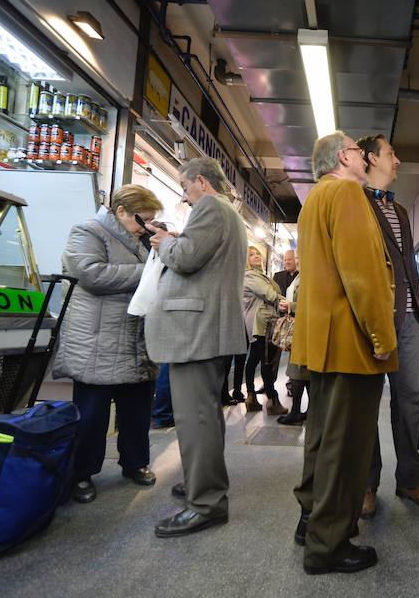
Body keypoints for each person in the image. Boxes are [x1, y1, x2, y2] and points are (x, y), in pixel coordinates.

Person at [291, 131, 398, 575]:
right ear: (343, 156)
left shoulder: (315, 199)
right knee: (347, 446)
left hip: (321, 342)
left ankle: (310, 519)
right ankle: (329, 545)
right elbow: (363, 276)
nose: (362, 156)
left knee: (321, 438)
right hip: (351, 344)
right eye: (357, 149)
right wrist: (383, 338)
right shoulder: (348, 194)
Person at [143, 157, 247, 538]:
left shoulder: (211, 208)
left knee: (195, 420)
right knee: (204, 417)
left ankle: (206, 503)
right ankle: (203, 483)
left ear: (201, 181)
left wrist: (165, 243)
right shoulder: (228, 214)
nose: (185, 197)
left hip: (197, 332)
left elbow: (185, 258)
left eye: (185, 188)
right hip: (208, 330)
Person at [53, 184, 163, 504]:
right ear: (121, 211)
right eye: (142, 219)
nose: (146, 226)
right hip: (97, 340)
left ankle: (135, 462)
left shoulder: (142, 240)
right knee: (91, 415)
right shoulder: (87, 231)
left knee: (137, 410)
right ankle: (82, 473)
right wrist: (150, 270)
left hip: (134, 339)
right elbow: (93, 275)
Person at [356, 134, 419, 518]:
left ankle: (411, 479)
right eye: (391, 153)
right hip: (374, 318)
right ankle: (366, 483)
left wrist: (417, 311)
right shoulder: (355, 202)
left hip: (408, 320)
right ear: (371, 158)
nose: (397, 160)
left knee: (409, 400)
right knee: (366, 403)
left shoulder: (401, 211)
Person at [242, 245, 287, 415]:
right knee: (267, 362)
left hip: (259, 324)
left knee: (254, 359)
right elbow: (269, 294)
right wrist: (289, 303)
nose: (256, 256)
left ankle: (251, 397)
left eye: (258, 254)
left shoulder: (258, 275)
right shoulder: (251, 276)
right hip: (262, 325)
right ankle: (272, 400)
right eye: (251, 255)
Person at [276, 271, 307, 426]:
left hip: (305, 329)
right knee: (300, 373)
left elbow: (313, 301)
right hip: (300, 328)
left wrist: (292, 306)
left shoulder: (310, 273)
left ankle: (296, 412)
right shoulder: (301, 275)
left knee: (298, 372)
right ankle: (304, 411)